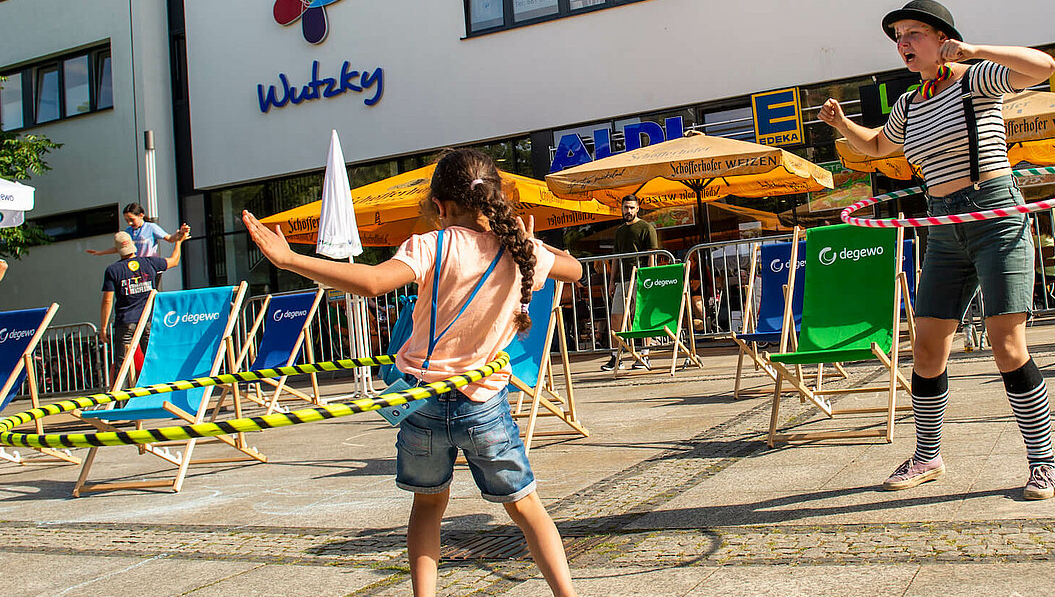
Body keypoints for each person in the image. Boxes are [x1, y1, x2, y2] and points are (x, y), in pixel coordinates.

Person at [240, 149, 582, 597]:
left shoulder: (430, 245)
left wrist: (289, 260)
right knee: (526, 508)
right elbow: (573, 270)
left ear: (439, 207)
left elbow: (371, 282)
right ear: (497, 198)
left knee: (427, 507)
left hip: (419, 401)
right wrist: (531, 241)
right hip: (483, 405)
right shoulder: (523, 253)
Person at [819, 0, 1055, 501]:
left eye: (913, 33)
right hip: (943, 226)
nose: (903, 43)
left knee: (1006, 344)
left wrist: (973, 51)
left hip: (995, 216)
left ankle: (1043, 464)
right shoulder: (910, 102)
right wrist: (843, 126)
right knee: (927, 349)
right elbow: (880, 147)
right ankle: (927, 457)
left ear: (941, 37)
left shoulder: (976, 78)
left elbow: (1044, 68)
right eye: (898, 36)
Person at [100, 227, 190, 380]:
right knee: (153, 359)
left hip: (125, 321)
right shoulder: (149, 262)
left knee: (121, 363)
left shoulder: (113, 270)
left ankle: (117, 400)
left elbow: (108, 300)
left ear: (117, 249)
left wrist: (103, 327)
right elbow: (174, 261)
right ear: (132, 246)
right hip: (148, 319)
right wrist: (179, 243)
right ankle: (161, 393)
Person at [601, 194, 661, 371]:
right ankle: (616, 356)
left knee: (642, 317)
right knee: (616, 317)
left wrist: (648, 278)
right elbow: (615, 258)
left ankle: (644, 355)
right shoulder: (619, 231)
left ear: (637, 208)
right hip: (622, 280)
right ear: (621, 208)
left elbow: (652, 255)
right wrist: (612, 281)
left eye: (631, 207)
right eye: (625, 207)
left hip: (640, 279)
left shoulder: (646, 227)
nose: (628, 211)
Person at [88, 203, 188, 258]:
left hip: (150, 266)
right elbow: (119, 248)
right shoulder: (128, 231)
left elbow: (170, 238)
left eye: (132, 220)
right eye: (127, 221)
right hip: (136, 266)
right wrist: (100, 252)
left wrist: (180, 233)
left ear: (141, 215)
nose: (129, 223)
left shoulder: (151, 227)